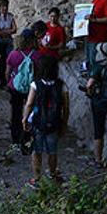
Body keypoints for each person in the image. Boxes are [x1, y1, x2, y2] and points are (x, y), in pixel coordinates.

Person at [22, 55, 69, 185]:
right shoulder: (61, 85)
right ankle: (52, 174)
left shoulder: (35, 84)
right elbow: (66, 107)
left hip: (37, 122)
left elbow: (30, 103)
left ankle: (37, 177)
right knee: (52, 151)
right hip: (54, 123)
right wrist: (64, 123)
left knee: (36, 151)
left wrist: (25, 118)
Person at [6, 29, 43, 147]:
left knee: (15, 113)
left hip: (15, 87)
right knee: (30, 113)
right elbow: (40, 73)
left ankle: (15, 139)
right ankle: (27, 137)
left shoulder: (14, 54)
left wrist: (9, 83)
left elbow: (8, 72)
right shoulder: (38, 55)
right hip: (32, 88)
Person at [0, 0, 17, 89]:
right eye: (2, 6)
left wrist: (3, 31)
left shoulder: (10, 16)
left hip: (7, 42)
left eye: (6, 6)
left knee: (5, 62)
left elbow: (15, 29)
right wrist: (8, 31)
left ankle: (3, 82)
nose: (4, 8)